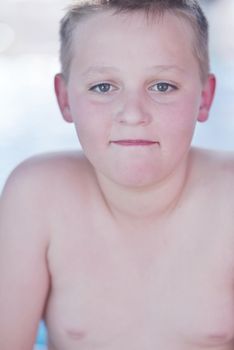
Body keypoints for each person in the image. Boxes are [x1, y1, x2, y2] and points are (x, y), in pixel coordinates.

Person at [0, 0, 234, 349]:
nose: (132, 114)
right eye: (103, 87)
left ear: (205, 97)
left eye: (162, 86)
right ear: (64, 99)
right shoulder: (37, 197)